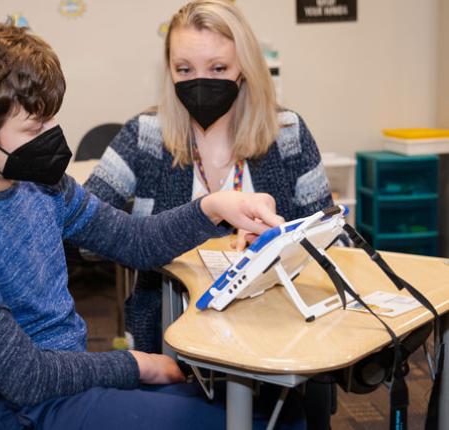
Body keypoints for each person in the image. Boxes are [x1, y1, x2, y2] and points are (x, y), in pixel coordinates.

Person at [0, 14, 301, 430]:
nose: (53, 135)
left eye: (52, 119)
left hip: (61, 385)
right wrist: (135, 365)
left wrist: (214, 207)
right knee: (251, 422)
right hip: (3, 408)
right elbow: (21, 376)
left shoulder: (43, 186)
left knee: (277, 410)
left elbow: (133, 241)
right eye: (35, 127)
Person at [84, 0, 335, 427]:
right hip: (172, 339)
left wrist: (283, 243)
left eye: (218, 68)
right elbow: (85, 232)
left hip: (280, 334)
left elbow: (335, 240)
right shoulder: (146, 135)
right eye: (184, 70)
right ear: (169, 71)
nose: (201, 82)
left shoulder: (288, 133)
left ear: (246, 68)